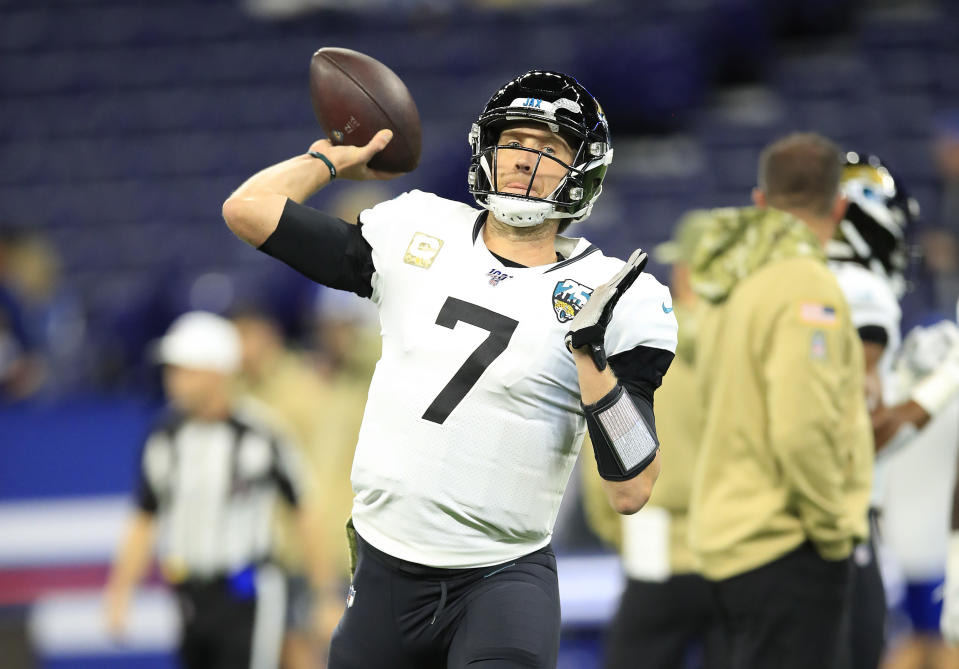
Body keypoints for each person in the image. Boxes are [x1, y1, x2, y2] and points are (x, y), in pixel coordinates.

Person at [221, 70, 678, 668]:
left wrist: (590, 357)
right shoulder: (418, 231)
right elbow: (248, 210)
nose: (526, 160)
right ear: (487, 148)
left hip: (501, 577)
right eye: (515, 141)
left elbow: (631, 490)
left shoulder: (616, 293)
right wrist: (327, 160)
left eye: (550, 149)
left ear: (583, 169)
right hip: (386, 571)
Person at [687, 133, 874, 669]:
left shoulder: (730, 283)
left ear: (761, 201)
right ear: (839, 207)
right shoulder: (806, 287)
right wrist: (834, 529)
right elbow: (800, 428)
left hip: (731, 539)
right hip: (785, 544)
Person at [104, 311, 326, 669]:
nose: (173, 380)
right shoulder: (165, 437)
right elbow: (144, 518)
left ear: (217, 372)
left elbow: (305, 509)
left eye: (185, 370)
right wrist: (119, 593)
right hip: (189, 594)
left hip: (248, 591)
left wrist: (323, 594)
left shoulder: (260, 433)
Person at [582, 211, 725, 669]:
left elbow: (603, 450)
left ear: (684, 272)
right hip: (739, 554)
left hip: (655, 551)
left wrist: (623, 533)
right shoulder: (755, 344)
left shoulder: (645, 338)